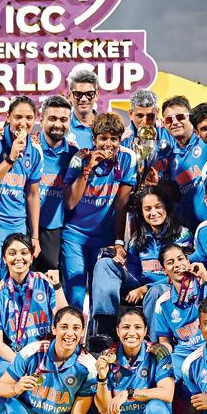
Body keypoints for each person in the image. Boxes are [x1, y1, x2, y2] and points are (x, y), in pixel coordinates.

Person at [91, 185, 191, 336]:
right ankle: (105, 332)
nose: (153, 213)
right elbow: (133, 274)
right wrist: (120, 265)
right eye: (148, 209)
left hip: (170, 288)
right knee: (105, 264)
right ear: (141, 212)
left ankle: (154, 344)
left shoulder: (182, 234)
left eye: (158, 207)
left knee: (154, 292)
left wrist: (146, 289)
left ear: (166, 208)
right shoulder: (138, 238)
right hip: (141, 286)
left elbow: (184, 274)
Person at [62, 112, 137, 312]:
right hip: (74, 236)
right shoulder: (80, 158)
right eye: (103, 138)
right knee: (76, 293)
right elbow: (70, 203)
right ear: (94, 139)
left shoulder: (128, 158)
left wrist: (119, 241)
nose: (108, 144)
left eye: (114, 139)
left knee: (101, 292)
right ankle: (73, 341)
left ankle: (98, 341)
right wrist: (88, 169)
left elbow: (121, 204)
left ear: (120, 140)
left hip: (104, 237)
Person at [0, 96, 43, 283]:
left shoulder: (36, 149)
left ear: (35, 119)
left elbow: (33, 194)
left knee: (15, 283)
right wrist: (10, 158)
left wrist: (35, 237)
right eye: (17, 117)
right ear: (8, 117)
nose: (23, 123)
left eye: (29, 118)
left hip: (17, 225)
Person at [0, 234, 68, 378]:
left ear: (31, 257)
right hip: (12, 357)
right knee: (2, 381)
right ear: (4, 258)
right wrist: (22, 364)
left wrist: (58, 287)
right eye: (12, 253)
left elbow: (65, 320)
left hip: (46, 354)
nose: (18, 258)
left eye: (24, 253)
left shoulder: (45, 283)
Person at [151, 243, 207, 373]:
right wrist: (162, 356)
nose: (177, 264)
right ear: (164, 270)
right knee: (162, 372)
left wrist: (205, 275)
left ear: (188, 260)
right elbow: (165, 341)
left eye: (180, 258)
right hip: (182, 355)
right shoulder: (162, 303)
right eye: (170, 262)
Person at [35, 95, 82, 272]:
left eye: (63, 119)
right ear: (41, 119)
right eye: (52, 119)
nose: (58, 124)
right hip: (22, 224)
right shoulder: (28, 146)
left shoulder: (74, 154)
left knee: (48, 284)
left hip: (53, 228)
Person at [158, 95, 207, 229]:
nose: (174, 123)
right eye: (168, 119)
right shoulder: (171, 157)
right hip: (192, 231)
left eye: (180, 117)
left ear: (190, 117)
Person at [66, 67, 100, 150]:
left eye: (89, 94)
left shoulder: (109, 125)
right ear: (69, 95)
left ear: (97, 95)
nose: (84, 99)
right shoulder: (62, 127)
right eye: (78, 94)